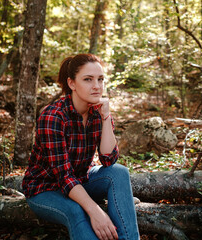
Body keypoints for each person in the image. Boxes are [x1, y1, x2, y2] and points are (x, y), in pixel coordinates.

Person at [22, 53, 140, 240]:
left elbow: (108, 159)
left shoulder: (96, 111)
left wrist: (106, 117)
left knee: (119, 172)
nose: (97, 86)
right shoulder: (53, 117)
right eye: (88, 79)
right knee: (76, 210)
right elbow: (64, 177)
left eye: (100, 79)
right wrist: (96, 211)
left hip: (80, 180)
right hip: (44, 190)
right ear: (72, 84)